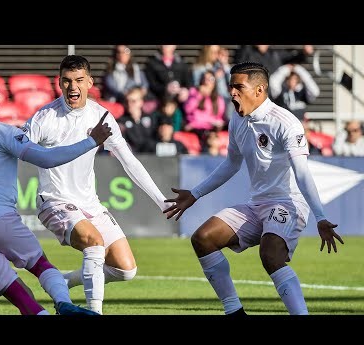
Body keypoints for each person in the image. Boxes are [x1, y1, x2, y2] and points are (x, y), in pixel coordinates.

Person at [163, 62, 344, 315]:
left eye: (239, 87)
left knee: (270, 254)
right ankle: (234, 312)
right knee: (203, 239)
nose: (232, 93)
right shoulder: (237, 120)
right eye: (231, 87)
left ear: (259, 90)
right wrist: (195, 193)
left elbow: (302, 173)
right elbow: (231, 164)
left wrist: (321, 217)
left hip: (287, 202)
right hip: (257, 203)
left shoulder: (286, 123)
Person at [0, 75, 112, 315]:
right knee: (39, 265)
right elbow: (47, 159)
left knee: (14, 291)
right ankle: (63, 303)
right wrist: (90, 142)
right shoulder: (3, 132)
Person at [24, 55, 170, 315]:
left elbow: (129, 162)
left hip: (89, 203)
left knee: (125, 269)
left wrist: (162, 201)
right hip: (54, 201)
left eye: (79, 80)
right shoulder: (44, 118)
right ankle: (95, 312)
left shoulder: (102, 116)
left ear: (90, 82)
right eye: (67, 81)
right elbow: (16, 149)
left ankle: (64, 281)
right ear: (59, 83)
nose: (73, 87)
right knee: (94, 242)